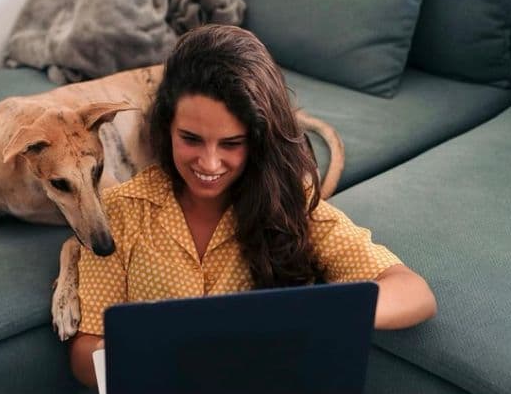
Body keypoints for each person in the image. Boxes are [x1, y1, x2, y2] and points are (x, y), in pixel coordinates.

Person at [68, 25, 437, 388]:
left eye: (231, 143)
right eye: (191, 139)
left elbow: (413, 292)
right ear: (166, 129)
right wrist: (154, 355)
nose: (209, 164)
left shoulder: (287, 203)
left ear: (259, 139)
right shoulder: (119, 211)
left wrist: (318, 315)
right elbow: (85, 351)